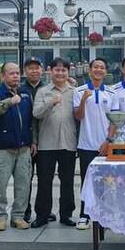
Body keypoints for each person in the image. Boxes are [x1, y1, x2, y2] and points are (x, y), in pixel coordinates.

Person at [0, 62, 35, 230]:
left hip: (23, 148)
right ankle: (0, 217)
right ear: (3, 76)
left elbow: (32, 120)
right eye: (11, 73)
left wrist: (33, 141)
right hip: (2, 149)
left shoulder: (26, 94)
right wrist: (9, 101)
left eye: (17, 73)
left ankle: (18, 217)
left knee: (23, 186)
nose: (15, 76)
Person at [32, 57, 78, 228]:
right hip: (47, 143)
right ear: (50, 71)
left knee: (68, 181)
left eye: (63, 70)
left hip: (68, 142)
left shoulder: (74, 91)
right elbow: (36, 113)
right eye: (57, 70)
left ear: (68, 72)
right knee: (44, 181)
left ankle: (66, 214)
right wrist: (51, 102)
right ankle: (42, 215)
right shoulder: (43, 92)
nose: (60, 73)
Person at [73, 57, 113, 229]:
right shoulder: (79, 91)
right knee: (86, 181)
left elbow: (114, 120)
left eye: (102, 67)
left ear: (105, 72)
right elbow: (78, 116)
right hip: (86, 144)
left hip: (106, 145)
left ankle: (104, 214)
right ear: (90, 71)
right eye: (95, 67)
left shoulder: (111, 93)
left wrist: (109, 140)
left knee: (107, 181)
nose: (98, 70)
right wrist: (83, 100)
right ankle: (85, 215)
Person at [20, 57, 45, 222]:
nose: (34, 71)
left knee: (44, 179)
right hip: (26, 141)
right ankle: (25, 210)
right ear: (25, 71)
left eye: (37, 68)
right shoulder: (20, 90)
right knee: (25, 179)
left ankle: (43, 211)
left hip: (46, 141)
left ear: (42, 70)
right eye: (30, 68)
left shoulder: (48, 88)